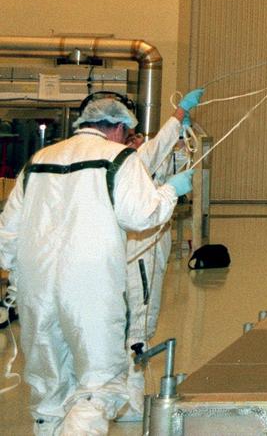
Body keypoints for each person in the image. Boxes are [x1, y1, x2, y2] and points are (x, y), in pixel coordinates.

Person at [0, 95, 195, 435]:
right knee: (99, 384)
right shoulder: (118, 158)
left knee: (49, 387)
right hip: (90, 288)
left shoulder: (39, 160)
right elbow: (141, 215)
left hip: (35, 290)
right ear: (119, 128)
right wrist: (169, 192)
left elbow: (7, 235)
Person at [121, 88, 203, 420]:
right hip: (137, 251)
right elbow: (152, 154)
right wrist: (178, 117)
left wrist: (181, 145)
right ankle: (127, 401)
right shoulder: (128, 165)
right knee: (136, 325)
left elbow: (166, 164)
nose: (138, 141)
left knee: (141, 320)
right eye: (131, 137)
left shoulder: (140, 163)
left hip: (153, 248)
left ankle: (125, 392)